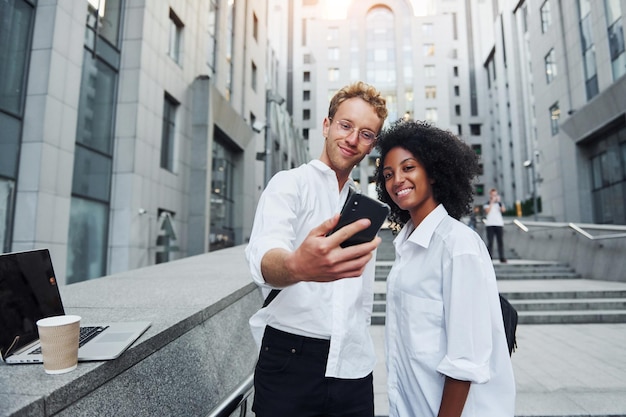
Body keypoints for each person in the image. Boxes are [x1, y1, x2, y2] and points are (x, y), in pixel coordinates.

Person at [245, 81, 388, 417]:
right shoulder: (288, 183)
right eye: (345, 125)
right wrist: (297, 266)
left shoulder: (363, 209)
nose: (353, 139)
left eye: (366, 134)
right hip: (290, 359)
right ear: (326, 126)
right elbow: (264, 256)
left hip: (352, 364)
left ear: (371, 146)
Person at [374, 120, 515, 417]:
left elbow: (465, 359)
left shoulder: (457, 245)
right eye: (388, 174)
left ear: (434, 173)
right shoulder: (407, 246)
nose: (397, 179)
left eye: (408, 167)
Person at [484, 188, 507, 263]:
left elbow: (503, 210)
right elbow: (487, 211)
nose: (494, 196)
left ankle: (502, 257)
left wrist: (499, 202)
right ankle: (489, 258)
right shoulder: (487, 203)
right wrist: (491, 202)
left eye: (495, 195)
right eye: (493, 195)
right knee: (490, 242)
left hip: (499, 224)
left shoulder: (499, 204)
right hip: (490, 224)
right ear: (490, 195)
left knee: (500, 242)